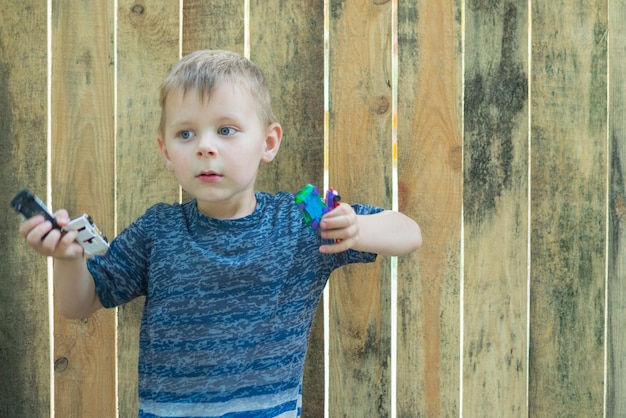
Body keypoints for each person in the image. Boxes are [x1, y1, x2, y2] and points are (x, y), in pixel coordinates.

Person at [19, 49, 422, 418]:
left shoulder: (304, 214)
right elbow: (80, 303)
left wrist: (356, 227)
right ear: (165, 152)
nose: (205, 147)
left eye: (226, 130)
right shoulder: (158, 229)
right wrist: (69, 259)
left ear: (268, 142)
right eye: (186, 134)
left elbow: (408, 233)